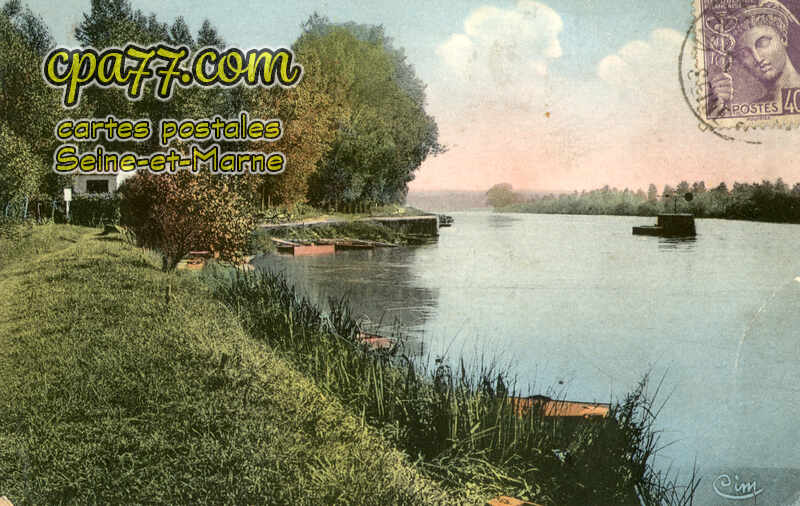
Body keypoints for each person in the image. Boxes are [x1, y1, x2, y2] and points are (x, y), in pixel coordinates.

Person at [710, 0, 800, 115]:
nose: (757, 58)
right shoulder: (752, 109)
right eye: (745, 54)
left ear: (783, 38)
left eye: (763, 43)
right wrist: (721, 106)